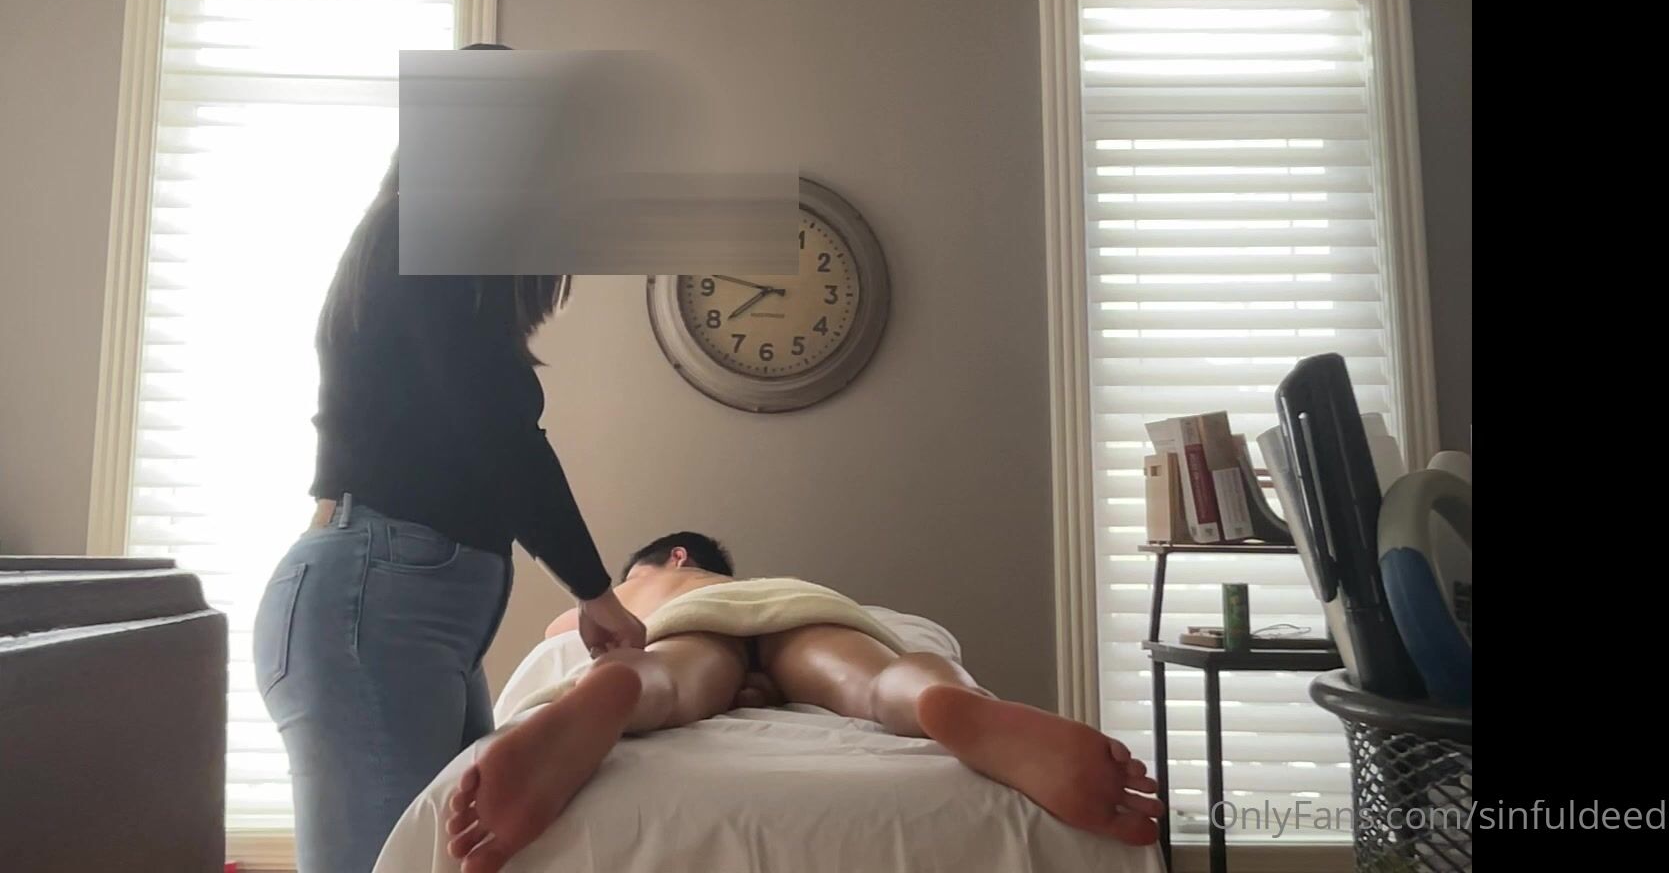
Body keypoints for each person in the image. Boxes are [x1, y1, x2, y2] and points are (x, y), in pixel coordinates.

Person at [252, 49, 647, 873]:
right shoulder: (416, 237)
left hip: (402, 610)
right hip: (374, 603)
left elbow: (491, 433)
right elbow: (502, 433)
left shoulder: (422, 255)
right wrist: (594, 590)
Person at [445, 532, 1164, 872]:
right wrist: (765, 686)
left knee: (665, 676)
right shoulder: (779, 589)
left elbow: (563, 631)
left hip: (682, 631)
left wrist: (619, 599)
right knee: (875, 680)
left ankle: (621, 688)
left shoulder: (649, 585)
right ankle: (944, 695)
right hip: (811, 610)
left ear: (674, 558)